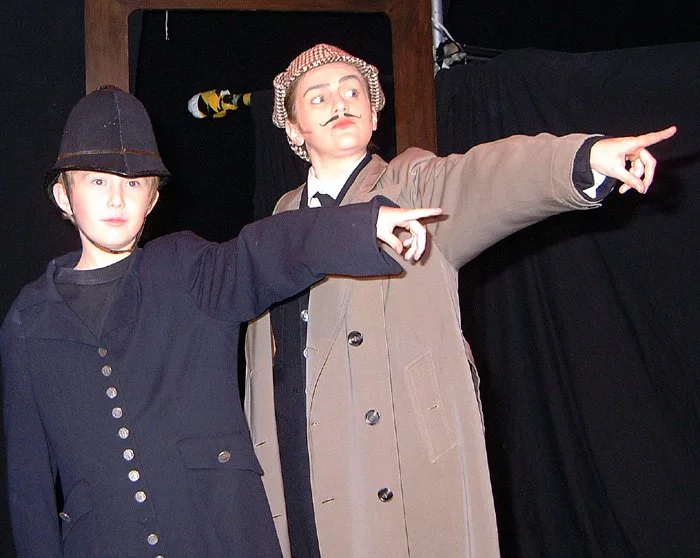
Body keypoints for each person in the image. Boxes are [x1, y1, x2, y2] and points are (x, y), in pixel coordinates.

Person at [243, 43, 677, 558]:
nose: (340, 102)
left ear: (374, 112)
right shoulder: (276, 226)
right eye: (318, 97)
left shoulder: (413, 186)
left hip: (389, 463)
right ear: (294, 129)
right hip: (298, 468)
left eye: (353, 91)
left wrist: (583, 160)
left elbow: (490, 176)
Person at [0, 86, 441, 557]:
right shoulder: (29, 321)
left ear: (152, 200)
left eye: (133, 184)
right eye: (97, 182)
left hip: (221, 534)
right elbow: (29, 485)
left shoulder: (185, 269)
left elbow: (264, 253)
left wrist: (358, 226)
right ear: (64, 196)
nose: (116, 200)